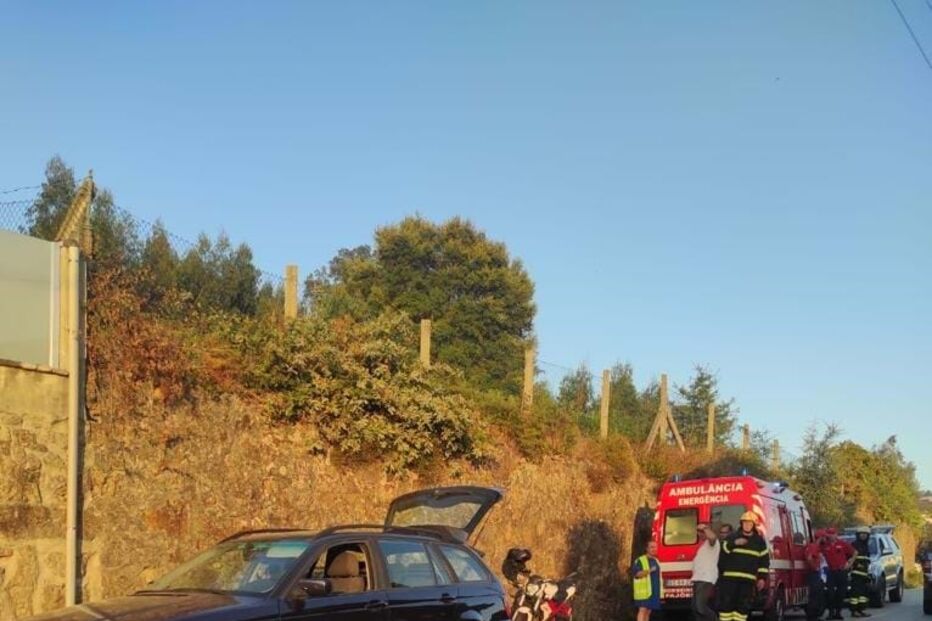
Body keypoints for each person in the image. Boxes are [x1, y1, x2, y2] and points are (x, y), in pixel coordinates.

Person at [717, 511, 770, 621]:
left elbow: (764, 561)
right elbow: (723, 550)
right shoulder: (732, 537)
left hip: (748, 581)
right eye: (745, 523)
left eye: (750, 523)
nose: (747, 525)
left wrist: (762, 578)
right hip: (729, 580)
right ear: (741, 524)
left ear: (753, 525)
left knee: (743, 607)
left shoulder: (759, 541)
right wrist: (735, 543)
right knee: (726, 605)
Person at [822, 527, 855, 620]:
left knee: (841, 593)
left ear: (836, 535)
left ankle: (838, 612)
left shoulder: (842, 544)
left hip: (841, 571)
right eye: (829, 534)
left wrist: (849, 564)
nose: (831, 535)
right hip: (830, 572)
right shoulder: (825, 545)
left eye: (832, 534)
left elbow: (854, 552)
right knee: (830, 593)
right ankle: (831, 613)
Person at [691, 523, 720, 621]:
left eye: (702, 532)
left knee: (700, 607)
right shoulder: (703, 545)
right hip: (698, 578)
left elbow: (712, 537)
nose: (699, 534)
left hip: (705, 578)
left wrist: (704, 528)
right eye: (698, 532)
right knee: (695, 608)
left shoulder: (713, 543)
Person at [632, 540, 662, 621]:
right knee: (642, 610)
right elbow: (637, 574)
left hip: (653, 592)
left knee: (648, 612)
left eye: (655, 547)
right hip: (644, 593)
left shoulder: (656, 561)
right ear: (647, 549)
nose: (654, 549)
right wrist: (649, 570)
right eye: (651, 547)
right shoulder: (640, 560)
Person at [848, 527, 872, 618]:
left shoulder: (866, 545)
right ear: (858, 535)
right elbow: (850, 557)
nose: (863, 535)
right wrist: (856, 565)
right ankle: (854, 611)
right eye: (861, 534)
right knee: (855, 593)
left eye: (865, 534)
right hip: (856, 573)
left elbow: (867, 559)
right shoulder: (854, 544)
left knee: (863, 594)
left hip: (864, 574)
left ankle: (861, 610)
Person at [805, 529, 827, 621]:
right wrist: (815, 568)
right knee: (814, 595)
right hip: (813, 573)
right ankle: (812, 616)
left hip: (814, 573)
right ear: (821, 537)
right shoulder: (814, 547)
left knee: (816, 594)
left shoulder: (815, 547)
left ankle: (814, 616)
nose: (825, 539)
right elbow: (809, 558)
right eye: (824, 537)